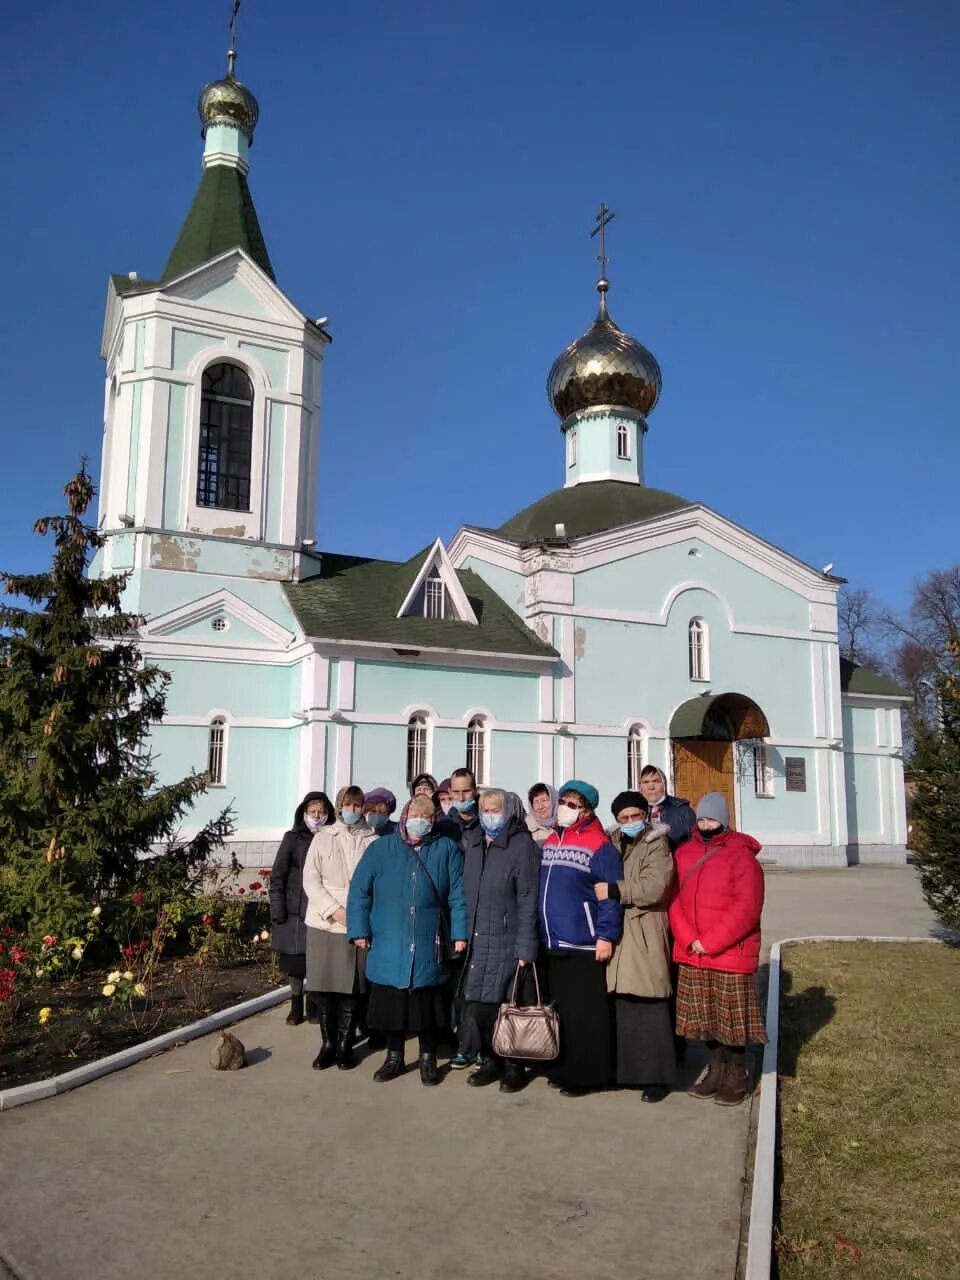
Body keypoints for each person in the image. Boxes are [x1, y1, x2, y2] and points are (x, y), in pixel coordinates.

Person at [347, 796, 467, 1085]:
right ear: (404, 814)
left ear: (434, 820)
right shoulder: (381, 848)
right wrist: (359, 930)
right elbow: (360, 891)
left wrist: (459, 933)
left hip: (429, 938)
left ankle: (427, 1058)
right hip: (390, 937)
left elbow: (458, 896)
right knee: (393, 1004)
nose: (420, 821)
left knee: (426, 1004)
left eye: (427, 817)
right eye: (416, 814)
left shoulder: (446, 848)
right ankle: (394, 1057)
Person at [669, 793, 766, 1106]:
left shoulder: (741, 856)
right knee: (704, 1016)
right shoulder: (685, 853)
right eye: (701, 819)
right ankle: (714, 1071)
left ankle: (737, 1075)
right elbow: (673, 899)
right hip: (693, 950)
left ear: (723, 820)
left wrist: (710, 942)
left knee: (732, 1020)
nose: (705, 824)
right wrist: (687, 938)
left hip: (728, 952)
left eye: (711, 819)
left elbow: (747, 907)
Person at [538, 779, 623, 1095]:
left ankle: (589, 1075)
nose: (566, 809)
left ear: (586, 810)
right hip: (554, 941)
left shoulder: (599, 845)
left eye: (574, 804)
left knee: (586, 1015)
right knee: (563, 1014)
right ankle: (564, 1069)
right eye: (565, 802)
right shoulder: (550, 840)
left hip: (585, 943)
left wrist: (606, 935)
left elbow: (610, 895)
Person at [459, 789, 540, 1093]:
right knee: (480, 1006)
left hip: (507, 939)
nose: (489, 815)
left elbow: (528, 898)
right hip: (478, 937)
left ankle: (513, 1065)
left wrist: (526, 946)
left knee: (509, 1007)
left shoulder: (522, 846)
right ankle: (490, 1059)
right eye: (485, 809)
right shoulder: (476, 842)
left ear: (508, 811)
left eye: (495, 809)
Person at [597, 791, 677, 1101]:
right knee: (624, 1006)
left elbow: (654, 887)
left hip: (644, 932)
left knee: (649, 1005)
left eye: (635, 816)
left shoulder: (657, 843)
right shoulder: (611, 840)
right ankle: (628, 1072)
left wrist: (615, 890)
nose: (630, 822)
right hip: (620, 933)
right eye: (623, 817)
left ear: (645, 815)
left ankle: (656, 1077)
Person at [302, 785, 377, 1070]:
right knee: (324, 987)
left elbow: (376, 882)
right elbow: (311, 879)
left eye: (358, 805)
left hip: (358, 922)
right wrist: (334, 910)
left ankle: (345, 1043)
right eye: (348, 804)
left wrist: (356, 915)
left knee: (351, 987)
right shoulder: (323, 838)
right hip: (324, 923)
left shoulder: (372, 840)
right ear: (338, 806)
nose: (353, 810)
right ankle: (328, 1043)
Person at [269, 791, 333, 1026]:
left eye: (321, 812)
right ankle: (295, 1004)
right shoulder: (293, 838)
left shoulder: (330, 837)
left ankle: (313, 1003)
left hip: (322, 908)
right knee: (295, 965)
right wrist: (278, 911)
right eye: (312, 812)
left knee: (316, 961)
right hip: (295, 910)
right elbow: (278, 876)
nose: (317, 816)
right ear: (304, 813)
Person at [638, 765, 696, 849]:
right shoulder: (634, 812)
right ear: (640, 786)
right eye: (646, 782)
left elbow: (695, 844)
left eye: (656, 781)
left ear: (664, 783)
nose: (651, 787)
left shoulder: (683, 811)